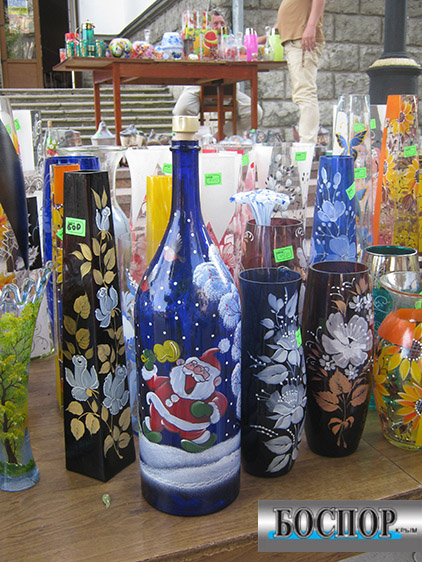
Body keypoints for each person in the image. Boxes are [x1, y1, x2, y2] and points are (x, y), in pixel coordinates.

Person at [173, 9, 263, 137]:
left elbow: (246, 50)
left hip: (228, 87)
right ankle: (190, 140)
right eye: (215, 24)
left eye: (222, 23)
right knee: (181, 110)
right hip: (198, 87)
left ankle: (221, 136)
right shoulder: (197, 39)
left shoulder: (232, 42)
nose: (219, 27)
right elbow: (183, 58)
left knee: (255, 112)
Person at [276, 0, 326, 144]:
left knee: (305, 94)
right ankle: (306, 146)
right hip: (295, 39)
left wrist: (311, 26)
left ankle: (306, 147)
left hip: (301, 39)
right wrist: (268, 36)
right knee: (303, 94)